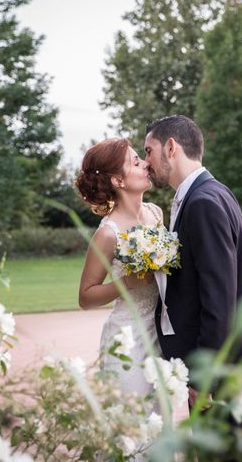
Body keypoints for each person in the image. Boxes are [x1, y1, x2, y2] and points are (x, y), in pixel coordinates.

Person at [144, 115, 242, 443]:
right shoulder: (211, 193)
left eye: (148, 151)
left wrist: (204, 379)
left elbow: (219, 299)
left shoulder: (203, 202)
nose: (146, 162)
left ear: (171, 147)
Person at [75, 138, 162, 402]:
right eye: (136, 161)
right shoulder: (107, 234)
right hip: (128, 339)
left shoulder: (156, 214)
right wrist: (127, 283)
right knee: (132, 426)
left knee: (160, 424)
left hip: (161, 335)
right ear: (118, 181)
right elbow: (86, 297)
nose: (146, 163)